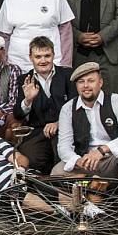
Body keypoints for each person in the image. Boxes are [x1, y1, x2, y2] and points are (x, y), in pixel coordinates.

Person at [52, 62, 118, 180]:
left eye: (91, 81)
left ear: (100, 83)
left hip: (113, 159)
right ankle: (93, 189)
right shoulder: (68, 108)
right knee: (57, 172)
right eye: (81, 82)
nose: (86, 85)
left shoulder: (115, 101)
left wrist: (101, 150)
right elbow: (64, 147)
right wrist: (78, 160)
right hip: (86, 161)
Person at [13, 36, 75, 173]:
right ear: (31, 58)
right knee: (31, 158)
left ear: (54, 55)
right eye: (38, 56)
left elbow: (75, 106)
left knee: (63, 155)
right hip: (37, 132)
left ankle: (64, 188)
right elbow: (17, 114)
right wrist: (28, 100)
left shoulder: (68, 76)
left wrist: (59, 123)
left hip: (66, 129)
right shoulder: (24, 79)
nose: (43, 61)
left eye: (47, 56)